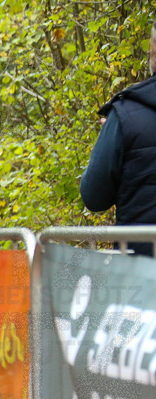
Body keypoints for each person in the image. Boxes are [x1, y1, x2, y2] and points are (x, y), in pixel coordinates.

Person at [79, 21, 156, 257]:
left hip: (143, 273)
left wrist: (114, 136)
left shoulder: (125, 115)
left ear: (153, 53)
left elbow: (94, 196)